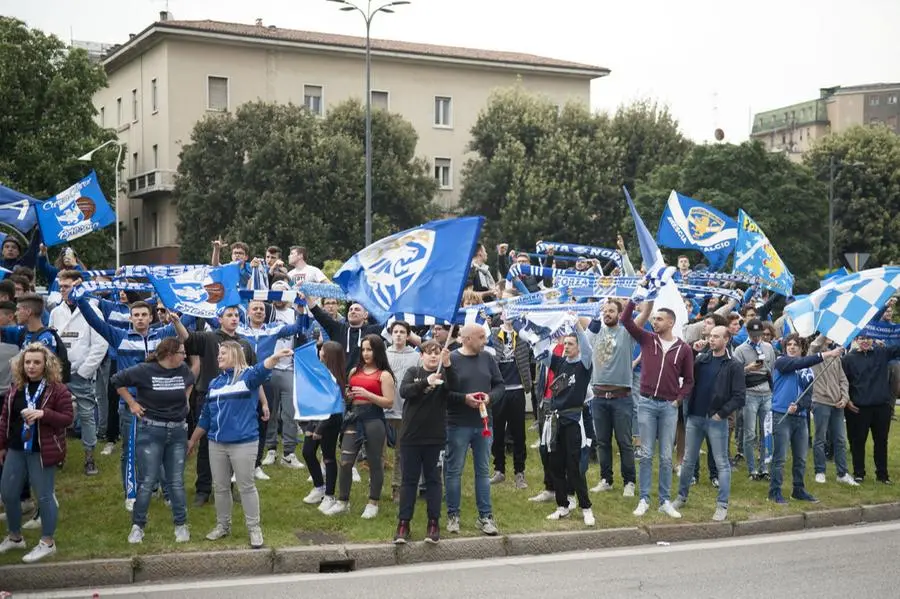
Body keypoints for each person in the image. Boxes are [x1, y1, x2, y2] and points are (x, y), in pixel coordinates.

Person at [187, 343, 289, 548]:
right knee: (221, 487)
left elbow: (262, 369)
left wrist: (275, 357)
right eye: (218, 354)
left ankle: (254, 529)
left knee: (246, 486)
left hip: (244, 442)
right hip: (216, 443)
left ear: (235, 354)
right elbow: (206, 416)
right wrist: (193, 440)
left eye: (223, 353)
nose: (218, 357)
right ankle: (223, 526)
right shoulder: (215, 383)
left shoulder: (248, 377)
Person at [111, 338, 195, 544]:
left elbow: (191, 380)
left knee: (176, 482)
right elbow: (116, 380)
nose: (185, 356)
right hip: (151, 431)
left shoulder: (183, 369)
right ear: (169, 354)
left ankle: (181, 525)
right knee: (146, 481)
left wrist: (185, 401)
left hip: (177, 432)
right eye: (182, 352)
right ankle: (138, 527)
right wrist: (132, 404)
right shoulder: (144, 370)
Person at [174, 306, 257, 507]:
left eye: (237, 315)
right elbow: (188, 339)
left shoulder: (244, 344)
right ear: (219, 319)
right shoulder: (209, 338)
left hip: (237, 401)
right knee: (207, 445)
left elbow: (254, 375)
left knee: (232, 444)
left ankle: (227, 486)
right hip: (209, 396)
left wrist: (262, 403)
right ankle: (203, 489)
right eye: (229, 315)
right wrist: (177, 322)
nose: (234, 318)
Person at [622, 291, 694, 519]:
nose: (654, 322)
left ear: (671, 322)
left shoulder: (683, 349)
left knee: (665, 456)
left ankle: (664, 500)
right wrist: (634, 299)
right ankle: (644, 498)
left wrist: (679, 398)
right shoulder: (647, 339)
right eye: (654, 319)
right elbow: (625, 321)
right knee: (645, 454)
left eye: (659, 319)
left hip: (668, 407)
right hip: (646, 403)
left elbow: (690, 379)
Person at [0, 343, 73, 563]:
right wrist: (1, 445)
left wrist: (44, 413)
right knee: (8, 494)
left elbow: (68, 418)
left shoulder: (57, 389)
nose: (31, 366)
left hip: (42, 451)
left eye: (36, 362)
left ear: (46, 365)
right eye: (27, 362)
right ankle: (14, 537)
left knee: (44, 496)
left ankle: (47, 542)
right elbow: (5, 419)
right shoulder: (16, 388)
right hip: (16, 447)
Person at [673, 326, 745, 521]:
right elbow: (682, 370)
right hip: (694, 417)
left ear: (726, 340)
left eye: (716, 337)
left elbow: (739, 397)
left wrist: (721, 414)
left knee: (722, 463)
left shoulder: (734, 365)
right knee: (688, 460)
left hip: (716, 420)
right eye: (710, 336)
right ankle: (681, 496)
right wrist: (693, 350)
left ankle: (722, 505)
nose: (711, 340)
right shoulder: (701, 359)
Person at [324, 335, 395, 519]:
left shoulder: (384, 375)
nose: (365, 353)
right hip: (354, 418)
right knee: (345, 461)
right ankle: (343, 501)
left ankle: (373, 502)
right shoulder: (354, 371)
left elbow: (389, 402)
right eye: (363, 349)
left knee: (374, 463)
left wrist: (368, 395)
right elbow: (350, 395)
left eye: (369, 349)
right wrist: (349, 397)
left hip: (374, 420)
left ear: (378, 351)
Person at [444, 324, 504, 536]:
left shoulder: (487, 358)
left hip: (483, 424)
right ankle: (453, 515)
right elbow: (444, 392)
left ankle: (485, 517)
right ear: (467, 339)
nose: (485, 341)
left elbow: (500, 385)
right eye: (481, 337)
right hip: (457, 424)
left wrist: (490, 398)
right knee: (454, 471)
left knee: (483, 471)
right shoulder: (451, 359)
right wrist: (464, 399)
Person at [768, 334, 842, 504]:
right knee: (780, 457)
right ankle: (775, 491)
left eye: (796, 345)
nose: (792, 347)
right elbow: (798, 363)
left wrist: (800, 406)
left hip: (800, 418)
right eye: (789, 345)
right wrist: (827, 354)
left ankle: (798, 490)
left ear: (801, 348)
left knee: (800, 458)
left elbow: (809, 396)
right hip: (781, 415)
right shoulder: (782, 362)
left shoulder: (808, 370)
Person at [50, 270, 110, 476]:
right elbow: (51, 341)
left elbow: (100, 343)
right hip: (57, 373)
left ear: (78, 286)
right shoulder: (56, 312)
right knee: (55, 416)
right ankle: (57, 454)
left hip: (81, 373)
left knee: (86, 415)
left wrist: (85, 370)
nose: (63, 291)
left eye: (66, 287)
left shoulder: (93, 310)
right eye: (61, 287)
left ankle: (89, 457)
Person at [394, 341, 454, 544]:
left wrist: (447, 366)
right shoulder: (413, 371)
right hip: (410, 437)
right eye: (429, 353)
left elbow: (454, 387)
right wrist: (426, 382)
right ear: (421, 356)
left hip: (435, 438)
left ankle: (433, 523)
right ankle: (403, 524)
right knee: (409, 481)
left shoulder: (445, 374)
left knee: (434, 481)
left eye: (437, 353)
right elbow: (404, 391)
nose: (433, 356)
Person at [586, 299, 645, 497]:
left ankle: (629, 481)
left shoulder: (627, 332)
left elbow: (644, 316)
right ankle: (606, 479)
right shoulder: (595, 333)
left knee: (624, 442)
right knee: (602, 441)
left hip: (621, 398)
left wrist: (638, 300)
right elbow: (577, 318)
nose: (607, 314)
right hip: (599, 397)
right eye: (605, 311)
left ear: (619, 314)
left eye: (612, 311)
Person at [541, 320, 595, 526]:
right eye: (566, 343)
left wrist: (577, 327)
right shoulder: (559, 362)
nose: (567, 347)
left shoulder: (584, 364)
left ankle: (586, 507)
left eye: (571, 344)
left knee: (574, 466)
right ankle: (562, 506)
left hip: (573, 419)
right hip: (555, 419)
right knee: (556, 464)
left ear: (578, 346)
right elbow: (541, 351)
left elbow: (588, 347)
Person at [841, 332, 900, 484]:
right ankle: (859, 472)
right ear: (856, 340)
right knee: (857, 441)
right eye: (861, 338)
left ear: (873, 339)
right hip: (858, 407)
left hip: (881, 406)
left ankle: (882, 475)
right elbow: (843, 382)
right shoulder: (848, 359)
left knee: (881, 441)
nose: (865, 341)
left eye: (868, 338)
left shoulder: (881, 352)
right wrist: (847, 401)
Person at [301, 341, 346, 512]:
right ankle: (318, 486)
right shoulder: (320, 372)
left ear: (329, 355)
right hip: (316, 417)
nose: (319, 352)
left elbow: (332, 404)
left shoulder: (334, 378)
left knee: (328, 457)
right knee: (307, 452)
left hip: (330, 420)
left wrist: (320, 429)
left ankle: (329, 495)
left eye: (322, 350)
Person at [488, 317, 532, 490]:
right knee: (497, 431)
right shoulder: (492, 333)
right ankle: (499, 469)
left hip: (517, 388)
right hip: (498, 389)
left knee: (518, 432)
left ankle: (519, 471)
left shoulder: (522, 334)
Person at [808, 335, 858, 486]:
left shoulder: (836, 357)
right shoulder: (814, 354)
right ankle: (820, 471)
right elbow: (815, 345)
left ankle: (842, 473)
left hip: (837, 403)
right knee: (820, 438)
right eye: (827, 336)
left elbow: (843, 380)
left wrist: (845, 398)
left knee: (840, 439)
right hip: (821, 401)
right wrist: (825, 331)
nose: (831, 337)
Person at [733, 318, 777, 481]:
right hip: (750, 393)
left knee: (766, 432)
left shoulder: (768, 348)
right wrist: (748, 368)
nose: (757, 337)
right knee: (750, 433)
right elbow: (735, 374)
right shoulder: (740, 350)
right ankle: (752, 469)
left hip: (766, 393)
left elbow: (771, 369)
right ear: (748, 333)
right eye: (754, 334)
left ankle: (764, 467)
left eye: (759, 334)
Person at [384, 321, 421, 502]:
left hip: (405, 410)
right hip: (383, 409)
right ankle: (374, 487)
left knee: (401, 452)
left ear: (408, 335)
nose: (398, 335)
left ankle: (397, 487)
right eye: (395, 332)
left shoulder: (415, 356)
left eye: (402, 332)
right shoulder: (383, 354)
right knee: (378, 453)